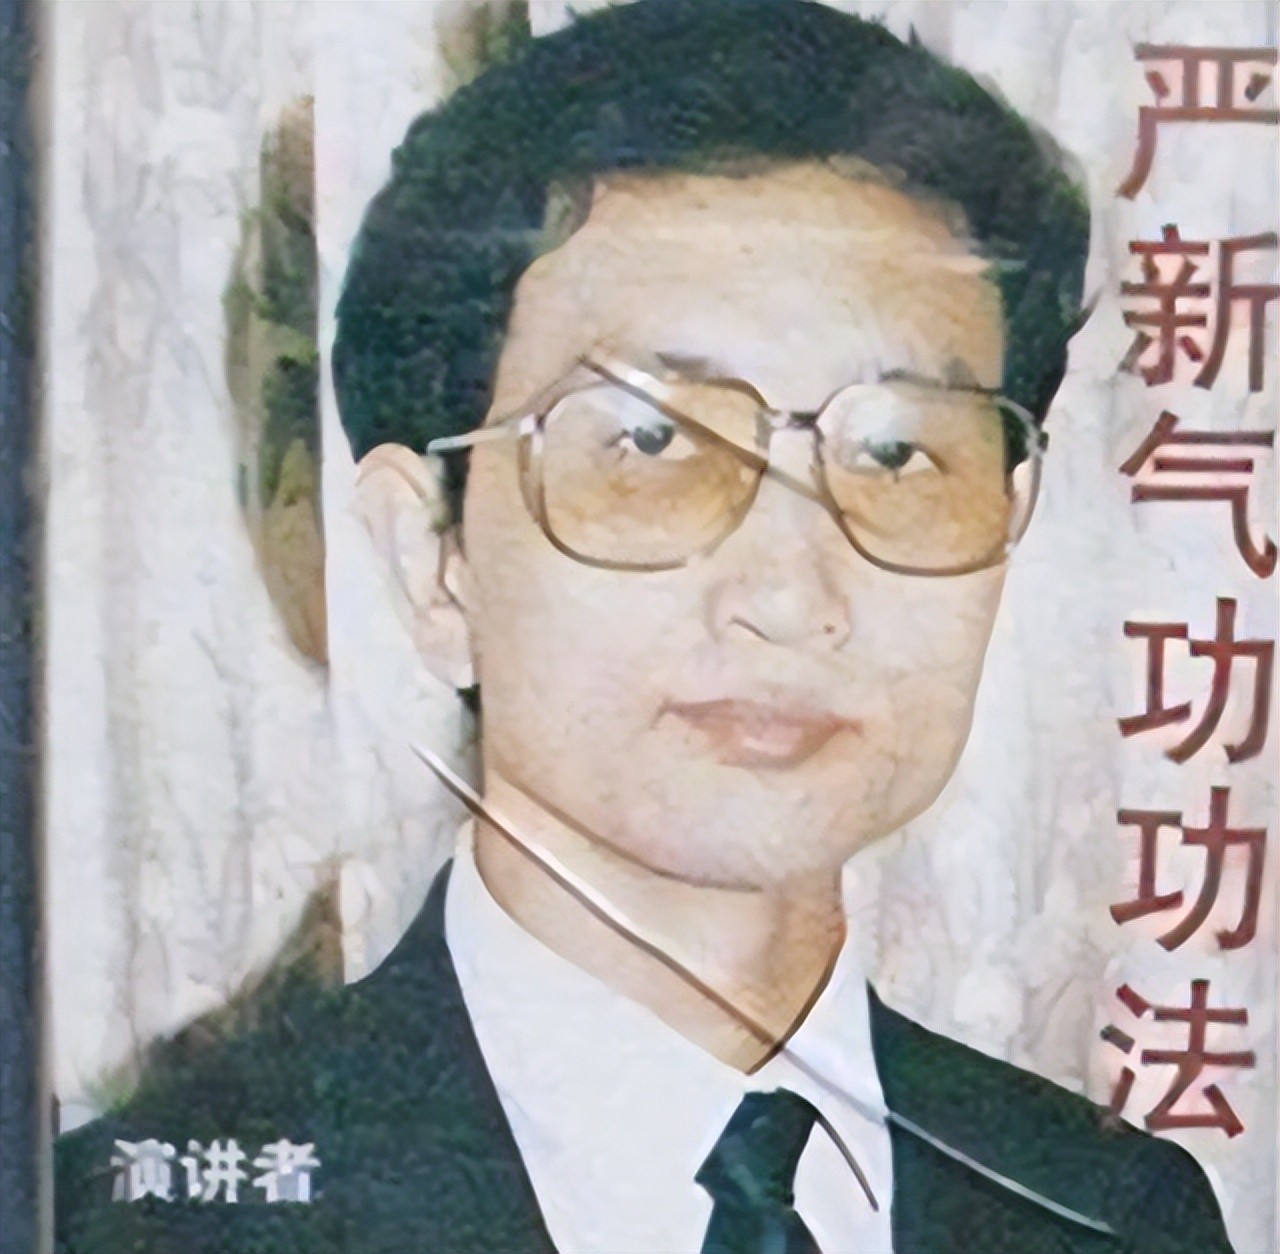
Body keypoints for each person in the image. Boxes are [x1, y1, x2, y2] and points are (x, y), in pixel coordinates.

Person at [56, 3, 1235, 1251]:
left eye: (896, 453)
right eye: (648, 441)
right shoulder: (134, 1224)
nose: (789, 593)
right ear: (431, 558)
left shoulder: (1112, 1213)